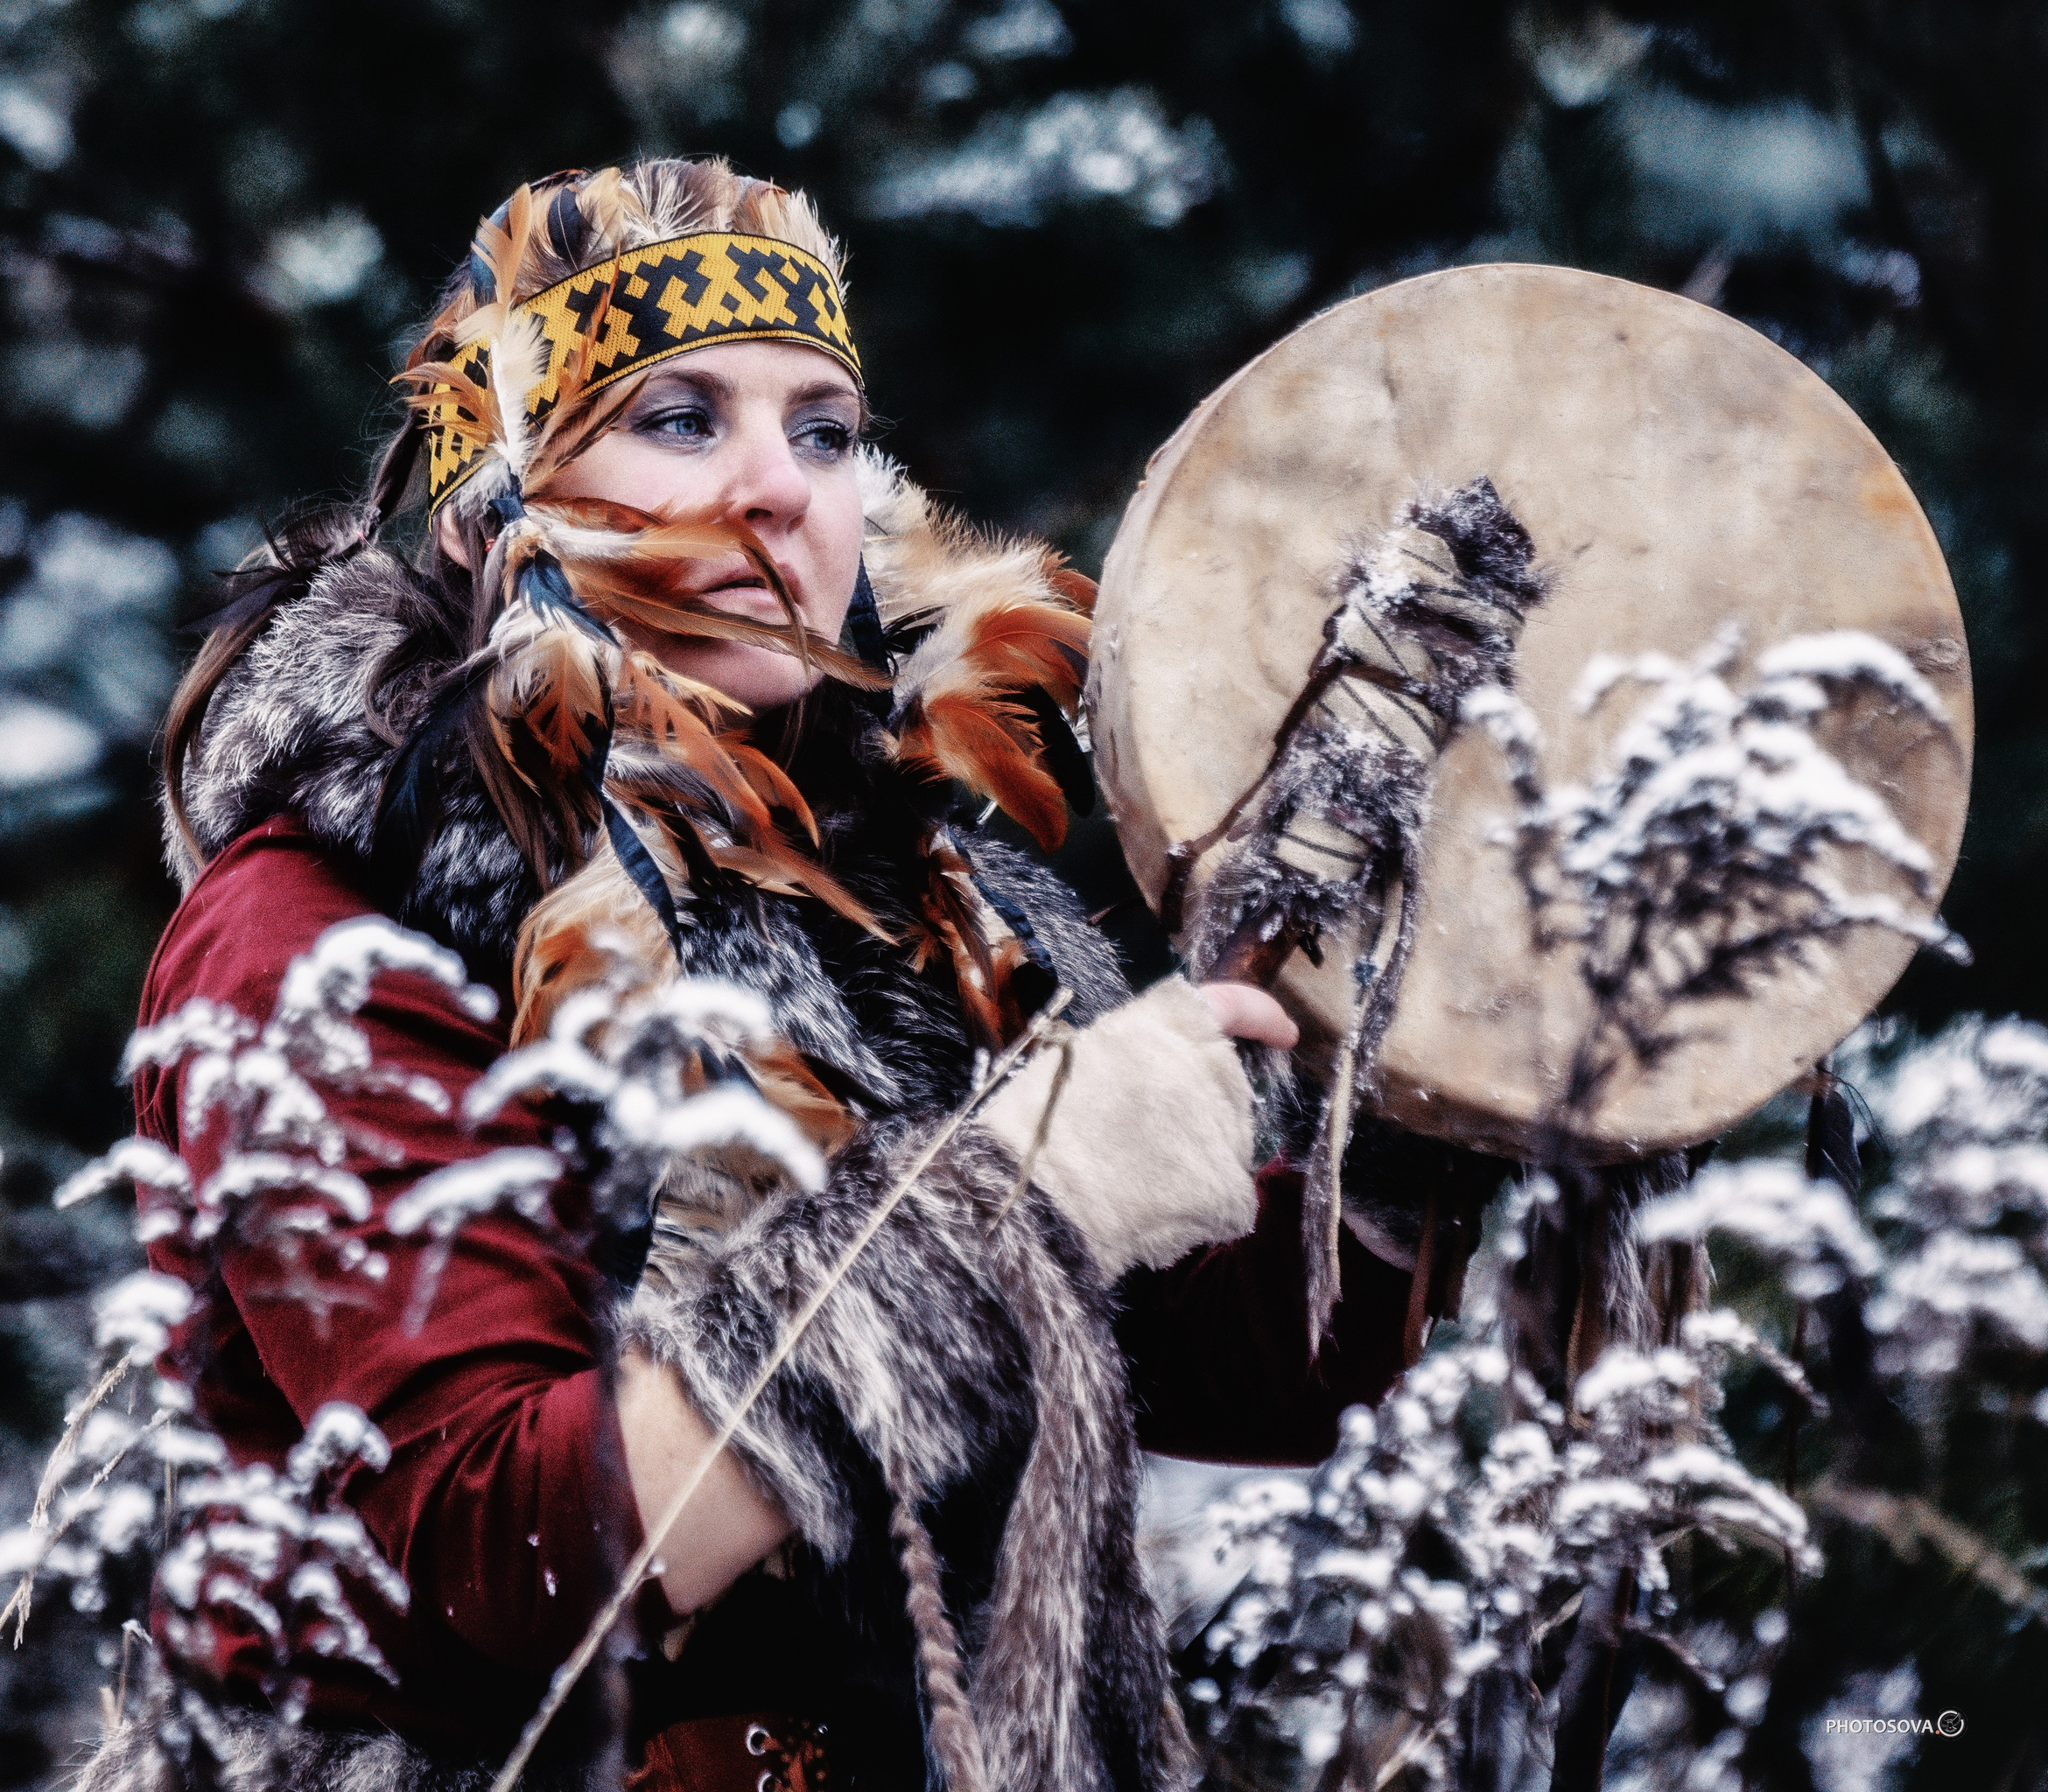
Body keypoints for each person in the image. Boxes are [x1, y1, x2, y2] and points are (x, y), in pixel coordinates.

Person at [81, 158, 1485, 1792]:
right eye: (680, 419)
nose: (782, 487)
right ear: (498, 500)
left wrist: (1411, 1125)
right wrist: (997, 1206)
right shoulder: (316, 923)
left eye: (823, 431)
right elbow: (498, 1551)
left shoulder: (911, 895)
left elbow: (1206, 1356)